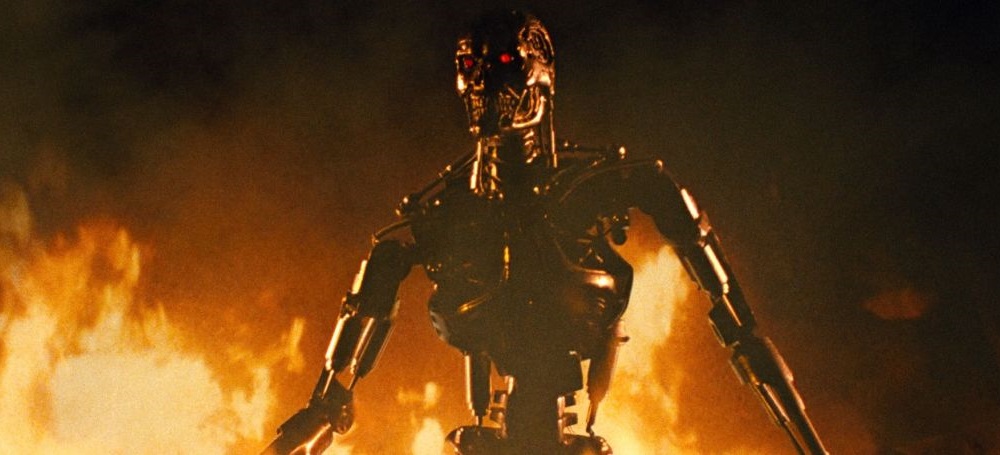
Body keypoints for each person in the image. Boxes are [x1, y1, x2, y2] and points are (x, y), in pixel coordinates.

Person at [263, 9, 826, 455]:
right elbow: (374, 289)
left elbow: (734, 318)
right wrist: (326, 403)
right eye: (470, 64)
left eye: (505, 61)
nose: (484, 80)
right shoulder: (445, 216)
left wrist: (778, 393)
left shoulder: (598, 188)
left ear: (540, 70)